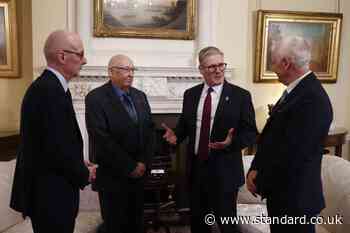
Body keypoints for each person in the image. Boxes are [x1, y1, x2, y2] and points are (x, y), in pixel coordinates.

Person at [162, 46, 257, 233]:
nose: (218, 70)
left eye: (221, 65)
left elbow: (250, 132)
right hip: (197, 169)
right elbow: (184, 126)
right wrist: (175, 136)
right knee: (199, 223)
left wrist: (232, 143)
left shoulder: (240, 96)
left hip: (225, 169)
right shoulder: (191, 94)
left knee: (227, 224)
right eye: (212, 66)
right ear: (201, 70)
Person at [10, 30, 97, 233]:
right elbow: (57, 149)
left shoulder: (52, 88)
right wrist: (84, 172)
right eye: (80, 53)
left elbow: (55, 140)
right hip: (50, 197)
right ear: (62, 56)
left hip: (52, 194)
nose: (84, 60)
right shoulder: (48, 91)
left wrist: (78, 160)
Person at [247, 36, 333, 233]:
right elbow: (273, 137)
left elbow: (293, 154)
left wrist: (259, 180)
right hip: (284, 196)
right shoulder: (296, 91)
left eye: (273, 61)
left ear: (286, 63)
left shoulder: (312, 99)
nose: (272, 66)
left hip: (296, 200)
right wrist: (255, 167)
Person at [85, 54, 155, 233]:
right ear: (111, 72)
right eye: (125, 69)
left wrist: (144, 164)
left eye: (132, 69)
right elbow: (101, 139)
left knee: (137, 225)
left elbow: (149, 132)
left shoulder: (140, 96)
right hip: (113, 177)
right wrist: (130, 166)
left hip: (139, 176)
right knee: (115, 226)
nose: (130, 74)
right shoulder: (95, 98)